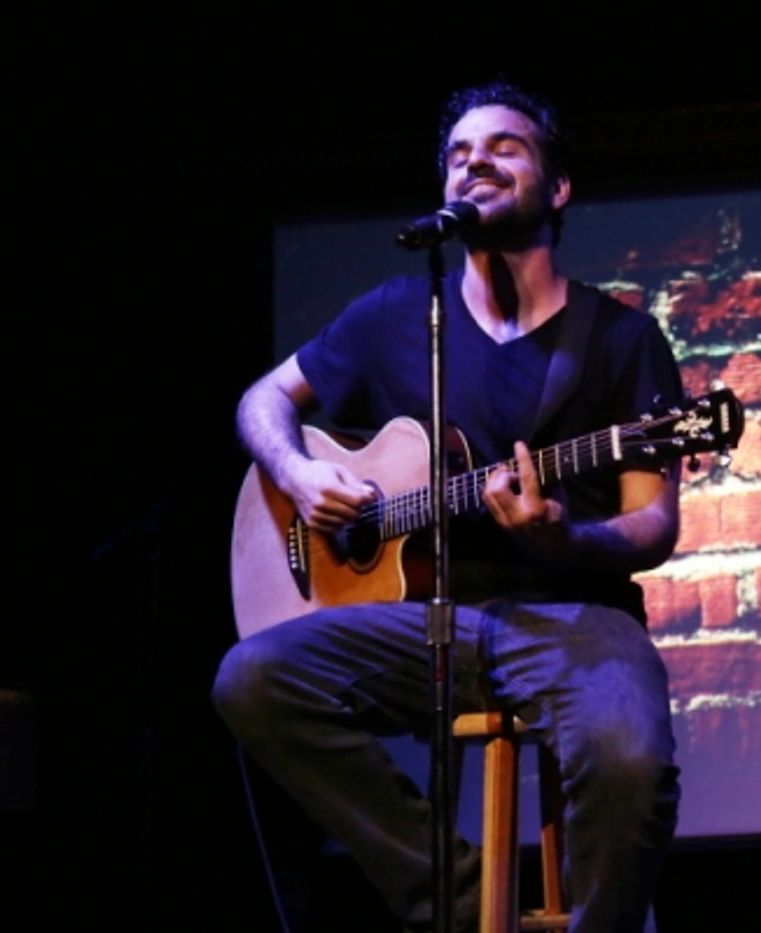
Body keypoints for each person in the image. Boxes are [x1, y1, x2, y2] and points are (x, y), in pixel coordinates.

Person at [213, 80, 684, 933]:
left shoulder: (619, 340)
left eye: (506, 147)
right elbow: (261, 402)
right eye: (461, 154)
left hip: (573, 616)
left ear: (559, 187)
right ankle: (460, 901)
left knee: (630, 756)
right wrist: (302, 472)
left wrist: (564, 533)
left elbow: (654, 524)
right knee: (252, 676)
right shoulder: (396, 314)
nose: (478, 162)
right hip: (423, 623)